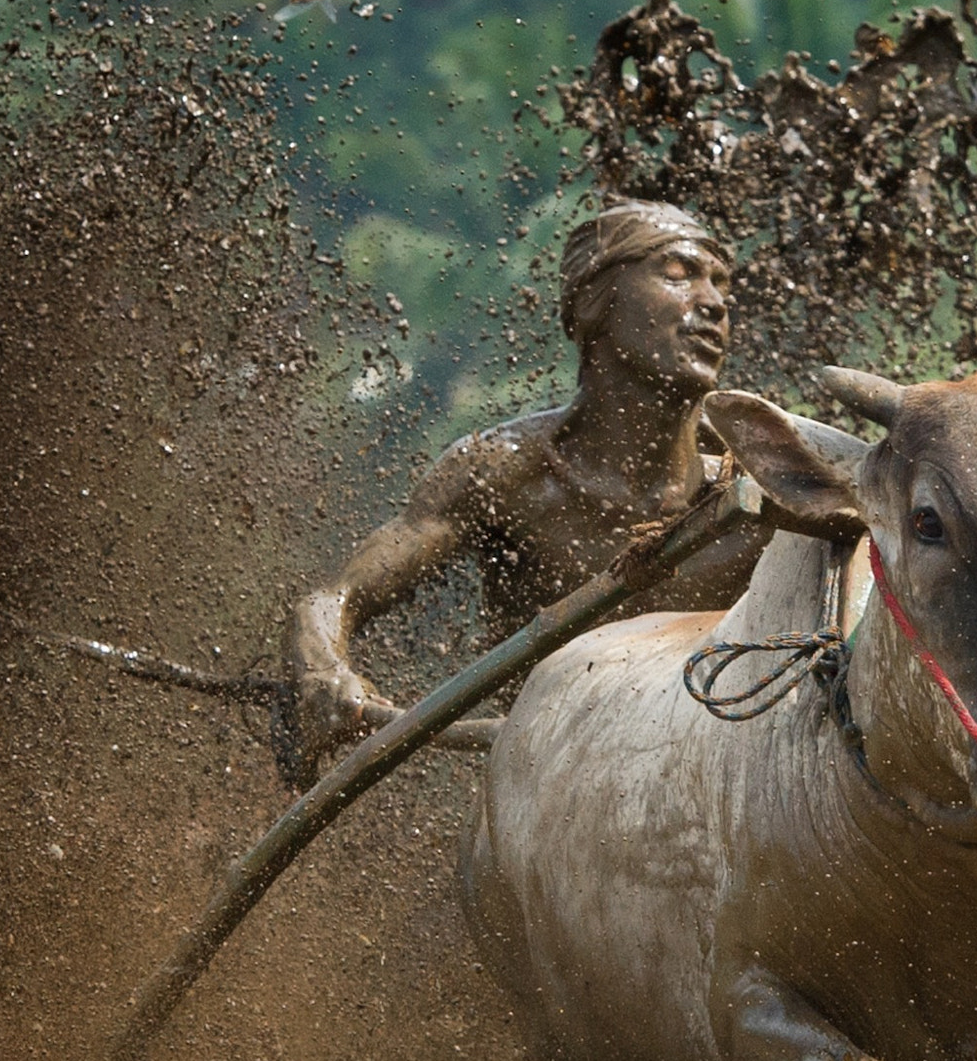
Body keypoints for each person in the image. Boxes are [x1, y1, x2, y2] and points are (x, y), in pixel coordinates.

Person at [288, 198, 763, 763]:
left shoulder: (762, 491)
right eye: (679, 275)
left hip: (711, 786)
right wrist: (323, 667)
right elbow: (335, 599)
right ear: (593, 302)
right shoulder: (501, 473)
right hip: (539, 791)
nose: (712, 303)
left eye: (721, 286)